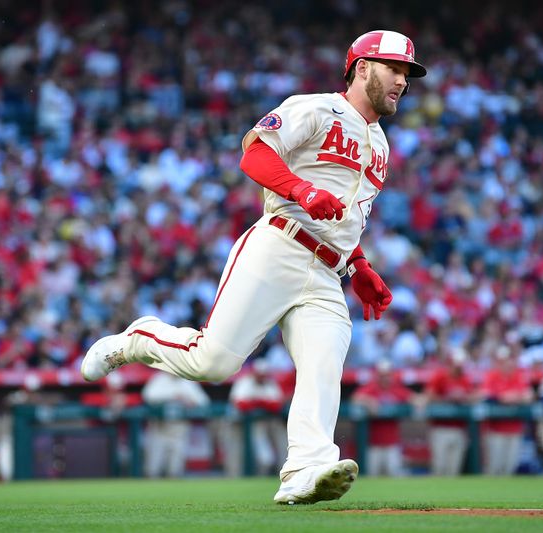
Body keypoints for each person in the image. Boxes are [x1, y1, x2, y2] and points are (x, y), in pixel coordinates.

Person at [81, 30, 426, 504]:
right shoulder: (317, 107)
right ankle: (138, 339)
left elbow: (351, 216)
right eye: (394, 69)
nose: (403, 81)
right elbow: (256, 153)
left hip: (327, 272)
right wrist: (300, 190)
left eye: (407, 73)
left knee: (324, 363)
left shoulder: (382, 144)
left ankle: (305, 469)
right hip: (279, 244)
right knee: (214, 363)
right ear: (361, 67)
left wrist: (359, 265)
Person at [351, 359, 415, 477]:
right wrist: (369, 401)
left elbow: (414, 398)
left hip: (392, 443)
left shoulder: (396, 388)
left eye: (387, 375)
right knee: (372, 478)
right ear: (377, 375)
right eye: (382, 375)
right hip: (373, 444)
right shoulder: (372, 388)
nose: (385, 378)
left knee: (394, 477)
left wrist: (417, 401)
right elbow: (356, 397)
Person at [423, 347, 481, 476]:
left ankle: (449, 497)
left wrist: (464, 398)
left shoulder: (465, 378)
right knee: (439, 467)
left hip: (459, 428)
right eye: (456, 365)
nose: (458, 368)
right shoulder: (440, 376)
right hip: (440, 428)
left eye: (460, 365)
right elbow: (428, 396)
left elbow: (474, 396)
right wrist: (446, 398)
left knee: (453, 470)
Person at [141, 371, 210, 478]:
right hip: (160, 426)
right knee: (153, 466)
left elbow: (203, 401)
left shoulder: (188, 381)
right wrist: (173, 396)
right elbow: (148, 395)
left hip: (179, 427)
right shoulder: (160, 379)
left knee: (175, 468)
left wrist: (189, 400)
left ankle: (173, 491)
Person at [228, 358, 287, 476]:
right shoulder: (244, 382)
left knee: (265, 456)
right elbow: (241, 404)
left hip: (259, 423)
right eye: (259, 375)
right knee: (236, 453)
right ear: (253, 373)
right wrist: (263, 402)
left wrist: (256, 402)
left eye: (264, 375)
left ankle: (264, 475)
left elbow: (277, 405)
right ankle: (235, 477)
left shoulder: (269, 384)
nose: (261, 377)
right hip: (237, 423)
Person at [480, 346, 534, 475]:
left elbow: (529, 396)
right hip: (495, 430)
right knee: (494, 467)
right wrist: (503, 397)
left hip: (515, 428)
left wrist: (514, 397)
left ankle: (505, 496)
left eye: (509, 361)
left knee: (510, 467)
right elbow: (486, 395)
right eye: (503, 361)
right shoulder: (492, 376)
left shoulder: (518, 376)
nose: (507, 365)